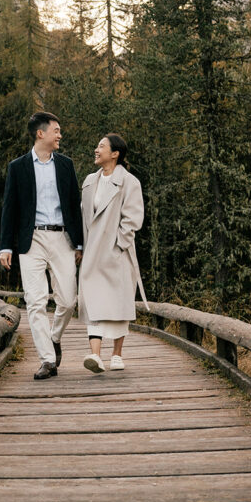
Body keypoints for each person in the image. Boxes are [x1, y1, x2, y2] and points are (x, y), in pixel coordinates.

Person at [0, 112, 83, 379]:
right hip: (31, 240)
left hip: (62, 239)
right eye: (56, 130)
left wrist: (79, 242)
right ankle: (48, 360)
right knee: (34, 302)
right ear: (41, 133)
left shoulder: (66, 165)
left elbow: (74, 205)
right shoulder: (18, 167)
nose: (60, 135)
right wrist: (5, 247)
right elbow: (9, 208)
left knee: (68, 301)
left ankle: (54, 337)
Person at [79, 133, 147, 373]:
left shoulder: (129, 182)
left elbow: (133, 218)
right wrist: (81, 248)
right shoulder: (89, 182)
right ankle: (95, 356)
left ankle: (116, 354)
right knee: (94, 302)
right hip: (92, 254)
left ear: (115, 153)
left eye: (101, 146)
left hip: (117, 253)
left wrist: (119, 245)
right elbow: (83, 218)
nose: (96, 150)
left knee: (118, 304)